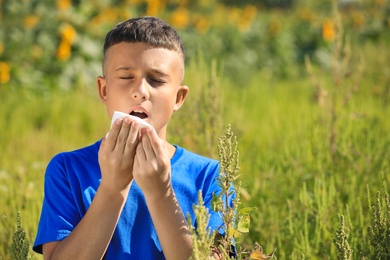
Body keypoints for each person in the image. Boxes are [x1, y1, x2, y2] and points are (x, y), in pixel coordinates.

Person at [33, 16, 232, 259]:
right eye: (126, 77)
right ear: (104, 90)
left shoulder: (211, 176)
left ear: (178, 98)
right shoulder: (67, 169)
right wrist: (112, 188)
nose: (140, 91)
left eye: (157, 80)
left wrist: (161, 193)